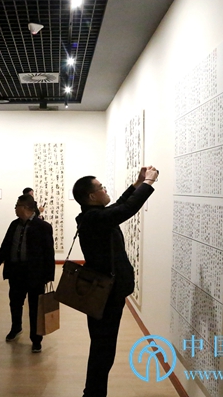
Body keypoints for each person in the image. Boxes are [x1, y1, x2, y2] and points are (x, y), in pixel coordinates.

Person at [72, 166, 159, 397]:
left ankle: (93, 392)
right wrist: (148, 184)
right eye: (101, 187)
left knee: (102, 347)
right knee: (103, 348)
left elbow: (119, 206)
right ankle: (93, 393)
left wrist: (137, 183)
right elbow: (126, 209)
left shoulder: (94, 216)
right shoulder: (94, 219)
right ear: (92, 196)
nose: (105, 189)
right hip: (105, 294)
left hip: (105, 291)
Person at [0, 194, 55, 353]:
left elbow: (49, 252)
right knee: (15, 302)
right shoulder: (14, 224)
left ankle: (36, 339)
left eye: (17, 205)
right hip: (15, 271)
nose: (15, 208)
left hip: (35, 273)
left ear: (26, 208)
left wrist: (49, 275)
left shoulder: (43, 227)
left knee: (35, 307)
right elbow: (6, 245)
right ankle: (16, 327)